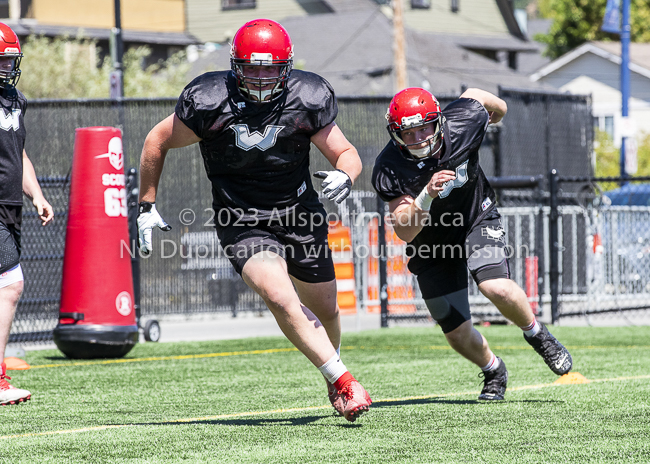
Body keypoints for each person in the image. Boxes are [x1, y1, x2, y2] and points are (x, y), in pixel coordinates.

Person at [137, 19, 371, 421]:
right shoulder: (209, 99)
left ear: (287, 66)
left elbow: (346, 152)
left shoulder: (307, 95)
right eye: (251, 67)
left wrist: (345, 175)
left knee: (327, 309)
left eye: (270, 67)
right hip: (241, 218)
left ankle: (331, 373)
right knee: (279, 295)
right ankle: (343, 379)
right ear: (234, 65)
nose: (261, 77)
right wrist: (147, 204)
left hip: (300, 213)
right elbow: (157, 140)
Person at [371, 87, 572, 401]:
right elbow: (405, 232)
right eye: (409, 133)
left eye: (424, 127)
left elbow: (477, 96)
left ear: (438, 121)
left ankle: (538, 335)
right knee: (456, 332)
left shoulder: (463, 120)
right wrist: (426, 195)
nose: (419, 138)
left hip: (474, 219)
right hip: (431, 242)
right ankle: (493, 369)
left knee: (497, 288)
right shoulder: (389, 166)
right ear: (395, 135)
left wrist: (500, 114)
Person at [0, 23, 54, 405]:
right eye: (0, 60)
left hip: (11, 206)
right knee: (11, 285)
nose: (7, 67)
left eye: (9, 60)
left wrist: (36, 194)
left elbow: (17, 153)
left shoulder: (15, 99)